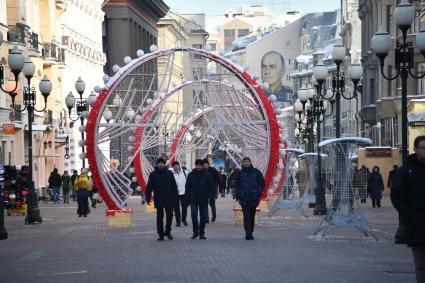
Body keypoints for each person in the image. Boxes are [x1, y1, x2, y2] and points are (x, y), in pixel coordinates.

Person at [391, 136, 425, 283]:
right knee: (421, 264)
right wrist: (408, 214)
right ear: (416, 149)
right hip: (417, 224)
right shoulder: (405, 171)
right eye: (424, 148)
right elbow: (396, 195)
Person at [146, 158, 178, 241]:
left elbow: (174, 185)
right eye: (159, 163)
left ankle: (168, 231)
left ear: (164, 164)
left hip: (169, 197)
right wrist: (148, 196)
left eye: (162, 163)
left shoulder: (169, 173)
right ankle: (161, 234)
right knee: (160, 217)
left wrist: (175, 196)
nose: (160, 164)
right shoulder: (153, 174)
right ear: (157, 164)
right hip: (158, 197)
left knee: (170, 215)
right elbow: (149, 187)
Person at [234, 157, 264, 240]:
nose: (246, 163)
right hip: (244, 198)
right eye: (245, 162)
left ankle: (251, 231)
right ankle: (248, 233)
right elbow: (236, 185)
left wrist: (258, 193)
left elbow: (261, 183)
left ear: (250, 162)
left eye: (247, 161)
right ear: (243, 163)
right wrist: (238, 194)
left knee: (251, 216)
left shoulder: (256, 172)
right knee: (246, 216)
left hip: (253, 198)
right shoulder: (240, 173)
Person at [185, 159, 214, 239]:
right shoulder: (191, 175)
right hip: (193, 198)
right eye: (197, 165)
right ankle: (195, 232)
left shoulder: (208, 175)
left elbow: (211, 187)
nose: (198, 166)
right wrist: (187, 199)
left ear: (202, 166)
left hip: (204, 199)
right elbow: (187, 187)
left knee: (203, 217)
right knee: (194, 215)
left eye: (200, 165)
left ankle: (201, 233)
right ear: (195, 165)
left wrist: (211, 197)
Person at [171, 161, 189, 226]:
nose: (175, 167)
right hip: (175, 193)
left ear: (179, 165)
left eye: (176, 165)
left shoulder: (185, 172)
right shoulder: (171, 174)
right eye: (174, 166)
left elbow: (189, 182)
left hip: (184, 193)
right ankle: (178, 221)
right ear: (172, 167)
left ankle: (184, 219)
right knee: (176, 208)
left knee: (184, 207)